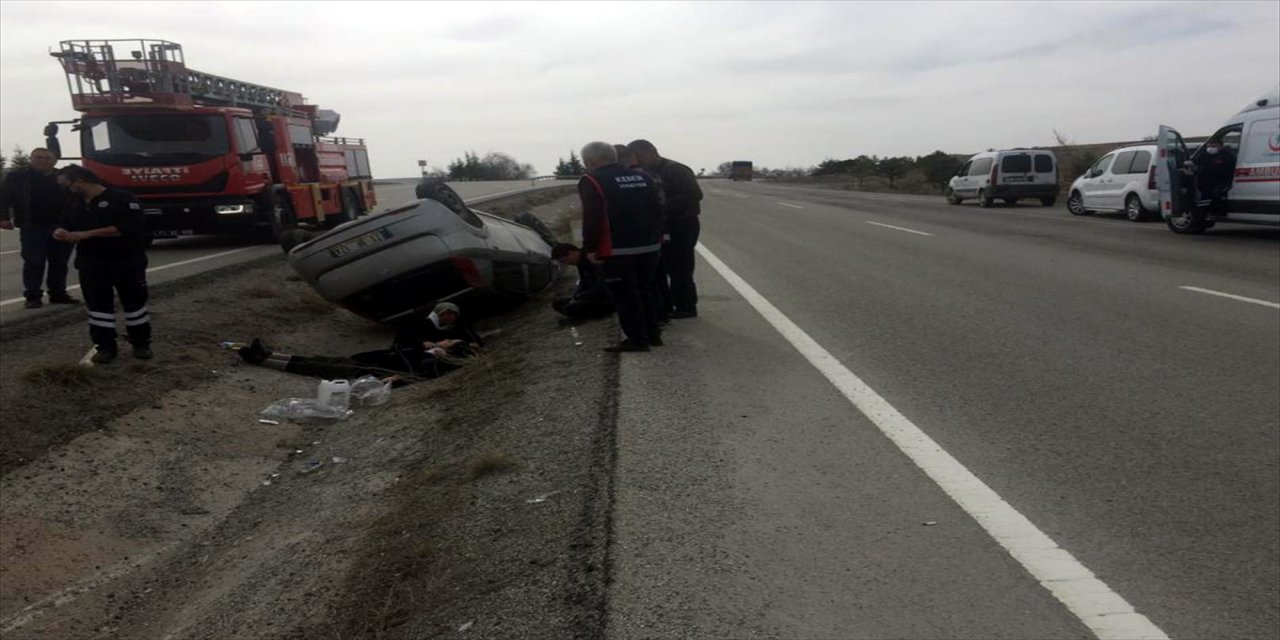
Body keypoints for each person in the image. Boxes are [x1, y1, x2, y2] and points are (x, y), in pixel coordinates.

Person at [53, 165, 152, 363]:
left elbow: (128, 227)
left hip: (125, 260)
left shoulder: (122, 198)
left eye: (67, 185)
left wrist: (86, 234)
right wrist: (60, 231)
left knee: (134, 304)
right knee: (97, 307)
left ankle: (141, 344)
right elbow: (66, 223)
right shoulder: (75, 204)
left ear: (79, 181)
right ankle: (105, 347)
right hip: (91, 263)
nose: (66, 190)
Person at [237, 302, 480, 382]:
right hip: (368, 361)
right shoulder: (427, 343)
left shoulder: (433, 361)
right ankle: (268, 355)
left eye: (449, 342)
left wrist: (394, 379)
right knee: (317, 360)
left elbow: (415, 374)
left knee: (314, 367)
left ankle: (261, 360)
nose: (445, 339)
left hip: (367, 371)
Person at [579, 141, 664, 352]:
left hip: (616, 249)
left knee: (626, 297)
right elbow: (658, 207)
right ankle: (653, 334)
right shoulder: (643, 177)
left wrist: (590, 248)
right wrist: (659, 235)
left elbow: (592, 218)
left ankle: (637, 340)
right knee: (646, 290)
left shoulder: (592, 181)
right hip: (649, 246)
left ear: (591, 161)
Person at [628, 139, 703, 319]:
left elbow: (693, 195)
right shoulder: (646, 172)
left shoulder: (676, 170)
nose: (638, 161)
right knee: (663, 267)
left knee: (680, 267)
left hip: (681, 225)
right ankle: (668, 305)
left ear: (650, 152)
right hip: (661, 226)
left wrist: (657, 207)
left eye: (639, 157)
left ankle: (686, 306)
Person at [0, 148, 78, 309]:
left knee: (60, 262)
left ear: (54, 161)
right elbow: (4, 197)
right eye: (39, 157)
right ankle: (33, 296)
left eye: (47, 158)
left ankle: (58, 294)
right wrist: (3, 218)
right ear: (31, 159)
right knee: (33, 262)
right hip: (32, 227)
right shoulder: (18, 177)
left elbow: (77, 197)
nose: (43, 160)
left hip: (62, 227)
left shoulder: (64, 177)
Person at [615, 144, 671, 324]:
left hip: (638, 239)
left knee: (645, 284)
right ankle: (663, 313)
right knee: (657, 278)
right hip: (654, 235)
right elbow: (660, 205)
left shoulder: (625, 178)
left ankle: (656, 318)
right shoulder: (650, 175)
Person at [550, 242, 614, 320]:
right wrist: (576, 295)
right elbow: (583, 282)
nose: (567, 264)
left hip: (606, 297)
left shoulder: (592, 259)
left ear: (571, 253)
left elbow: (602, 284)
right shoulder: (581, 263)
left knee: (571, 308)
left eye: (565, 261)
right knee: (558, 303)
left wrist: (583, 296)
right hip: (593, 294)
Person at [1194, 139, 1237, 212]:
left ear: (1220, 146)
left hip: (1221, 182)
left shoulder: (1227, 155)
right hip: (1205, 183)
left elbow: (1230, 169)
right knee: (1205, 199)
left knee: (1218, 198)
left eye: (1213, 146)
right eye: (1209, 146)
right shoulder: (1203, 155)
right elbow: (1196, 164)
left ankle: (1218, 211)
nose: (1211, 148)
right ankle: (1204, 213)